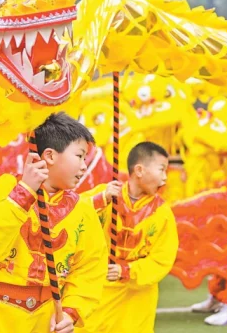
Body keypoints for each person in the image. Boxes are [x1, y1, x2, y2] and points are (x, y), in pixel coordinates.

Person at [0, 112, 107, 333]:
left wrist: (72, 311)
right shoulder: (4, 188)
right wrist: (23, 193)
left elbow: (89, 268)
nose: (84, 166)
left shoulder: (82, 209)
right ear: (50, 156)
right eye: (79, 156)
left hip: (45, 320)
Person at [78, 142, 178, 333]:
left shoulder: (163, 214)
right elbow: (71, 214)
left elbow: (162, 259)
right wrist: (101, 199)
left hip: (138, 295)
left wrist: (127, 271)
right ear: (139, 170)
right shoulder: (107, 195)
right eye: (161, 169)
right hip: (100, 285)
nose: (165, 178)